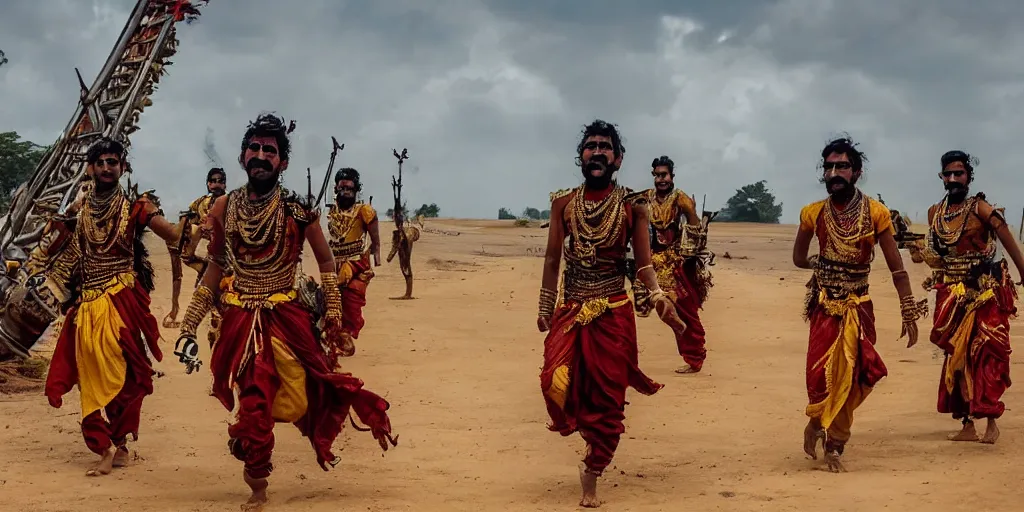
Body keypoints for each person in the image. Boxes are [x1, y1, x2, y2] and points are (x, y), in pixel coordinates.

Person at [174, 113, 397, 511]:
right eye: (254, 148)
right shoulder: (225, 206)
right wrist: (189, 324)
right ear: (243, 156)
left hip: (286, 315)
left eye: (270, 151)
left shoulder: (297, 210)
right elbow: (217, 265)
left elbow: (326, 262)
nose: (261, 155)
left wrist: (333, 317)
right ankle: (258, 480)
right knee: (255, 398)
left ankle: (257, 438)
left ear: (283, 162)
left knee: (305, 391)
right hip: (240, 319)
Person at [538, 119, 686, 508]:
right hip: (570, 308)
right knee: (554, 380)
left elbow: (642, 263)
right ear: (581, 157)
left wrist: (657, 296)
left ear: (618, 159)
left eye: (606, 146)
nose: (598, 151)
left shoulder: (633, 206)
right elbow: (553, 257)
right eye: (591, 146)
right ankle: (584, 432)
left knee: (607, 401)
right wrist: (545, 304)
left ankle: (593, 467)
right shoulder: (563, 204)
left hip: (613, 311)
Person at [43, 137, 181, 476]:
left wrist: (198, 225)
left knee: (129, 373)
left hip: (121, 299)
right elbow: (58, 248)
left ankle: (119, 442)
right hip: (88, 302)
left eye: (113, 162)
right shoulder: (81, 208)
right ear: (91, 168)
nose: (107, 167)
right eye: (101, 162)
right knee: (89, 373)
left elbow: (173, 234)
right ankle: (102, 446)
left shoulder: (137, 207)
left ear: (123, 167)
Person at [792, 136, 926, 472]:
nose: (834, 172)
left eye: (842, 166)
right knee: (819, 375)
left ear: (857, 171)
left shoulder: (876, 213)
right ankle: (816, 422)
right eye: (829, 167)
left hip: (859, 306)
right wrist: (819, 266)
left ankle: (835, 444)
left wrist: (908, 308)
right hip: (825, 305)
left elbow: (897, 268)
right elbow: (797, 258)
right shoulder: (813, 213)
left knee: (858, 375)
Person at [907, 150, 1024, 444]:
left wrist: (1023, 269)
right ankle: (967, 423)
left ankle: (991, 421)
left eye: (959, 173)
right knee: (956, 357)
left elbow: (1004, 235)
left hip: (983, 291)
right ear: (941, 177)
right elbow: (932, 257)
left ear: (969, 177)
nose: (953, 179)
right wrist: (914, 248)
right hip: (951, 294)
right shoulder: (936, 213)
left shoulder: (981, 208)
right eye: (948, 174)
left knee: (985, 353)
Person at [634, 155, 713, 374]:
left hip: (676, 262)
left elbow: (696, 228)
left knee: (686, 310)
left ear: (672, 176)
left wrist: (691, 252)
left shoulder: (681, 199)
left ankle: (695, 357)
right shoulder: (644, 198)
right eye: (657, 175)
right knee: (643, 303)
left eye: (665, 175)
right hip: (651, 262)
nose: (661, 179)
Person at [163, 167, 227, 328]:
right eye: (213, 181)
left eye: (220, 181)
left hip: (229, 256)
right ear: (208, 183)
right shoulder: (199, 203)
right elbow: (188, 226)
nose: (216, 184)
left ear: (225, 184)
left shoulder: (232, 202)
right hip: (210, 257)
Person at [327, 167, 381, 355]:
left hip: (357, 263)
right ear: (336, 189)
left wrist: (376, 255)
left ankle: (346, 336)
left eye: (350, 188)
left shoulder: (363, 211)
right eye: (342, 188)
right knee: (331, 301)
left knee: (351, 302)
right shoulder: (331, 211)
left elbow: (375, 239)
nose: (346, 192)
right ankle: (335, 338)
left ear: (356, 189)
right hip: (334, 263)